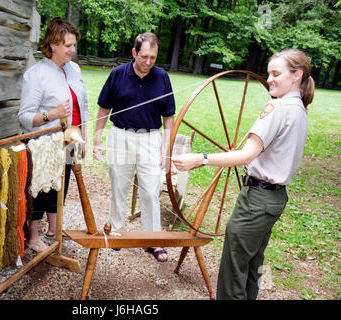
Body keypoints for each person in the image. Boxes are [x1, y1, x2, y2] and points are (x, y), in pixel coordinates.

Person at [172, 48, 314, 299]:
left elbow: (247, 155)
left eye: (276, 73)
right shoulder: (299, 109)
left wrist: (201, 159)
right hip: (274, 200)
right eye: (269, 73)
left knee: (233, 272)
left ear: (296, 75)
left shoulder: (278, 108)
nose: (269, 79)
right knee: (251, 266)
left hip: (257, 202)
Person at [93, 32, 175, 262]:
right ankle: (117, 233)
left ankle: (152, 240)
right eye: (144, 56)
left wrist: (165, 148)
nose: (148, 62)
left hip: (150, 138)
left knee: (151, 190)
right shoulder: (118, 74)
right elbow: (103, 109)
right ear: (134, 53)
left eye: (153, 57)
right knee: (119, 185)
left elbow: (169, 116)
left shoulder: (162, 77)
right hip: (120, 136)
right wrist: (97, 140)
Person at [18, 17, 89, 252]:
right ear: (53, 44)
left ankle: (54, 229)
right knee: (41, 189)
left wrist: (84, 139)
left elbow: (83, 107)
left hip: (68, 140)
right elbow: (24, 118)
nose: (72, 50)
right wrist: (52, 114)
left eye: (73, 45)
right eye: (68, 45)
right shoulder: (36, 74)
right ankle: (33, 235)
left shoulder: (74, 69)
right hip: (43, 144)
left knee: (62, 184)